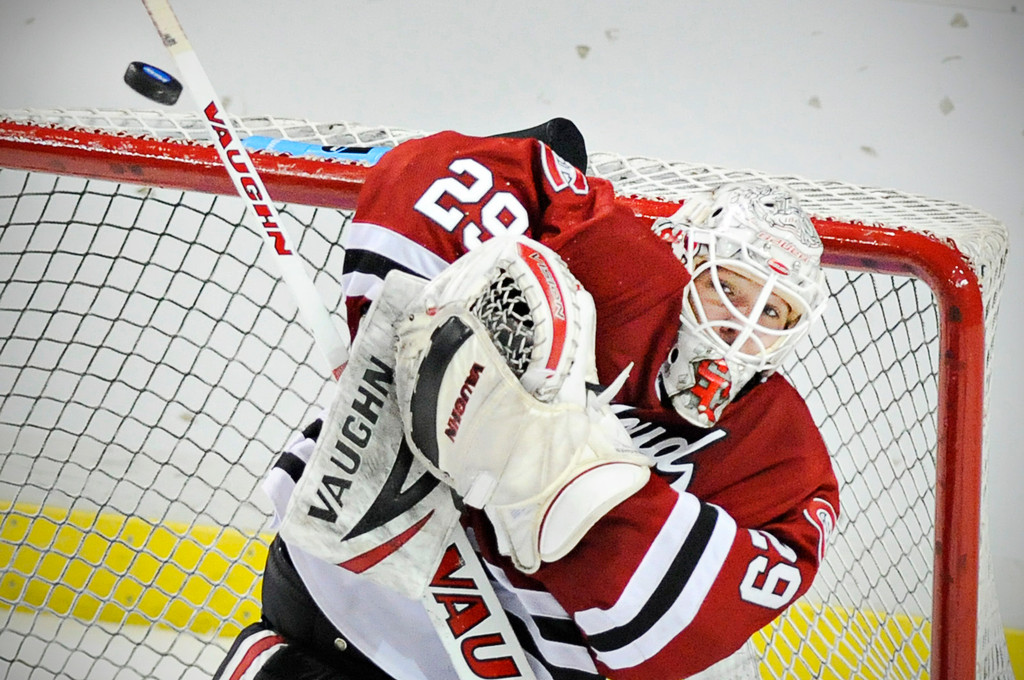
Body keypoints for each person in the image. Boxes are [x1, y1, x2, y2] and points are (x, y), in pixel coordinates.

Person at [213, 121, 840, 680]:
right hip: (346, 587)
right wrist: (397, 333)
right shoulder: (617, 265)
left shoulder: (780, 450)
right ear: (685, 257)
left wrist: (550, 473)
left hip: (480, 658)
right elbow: (428, 171)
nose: (741, 324)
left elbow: (680, 630)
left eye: (775, 311)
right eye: (729, 286)